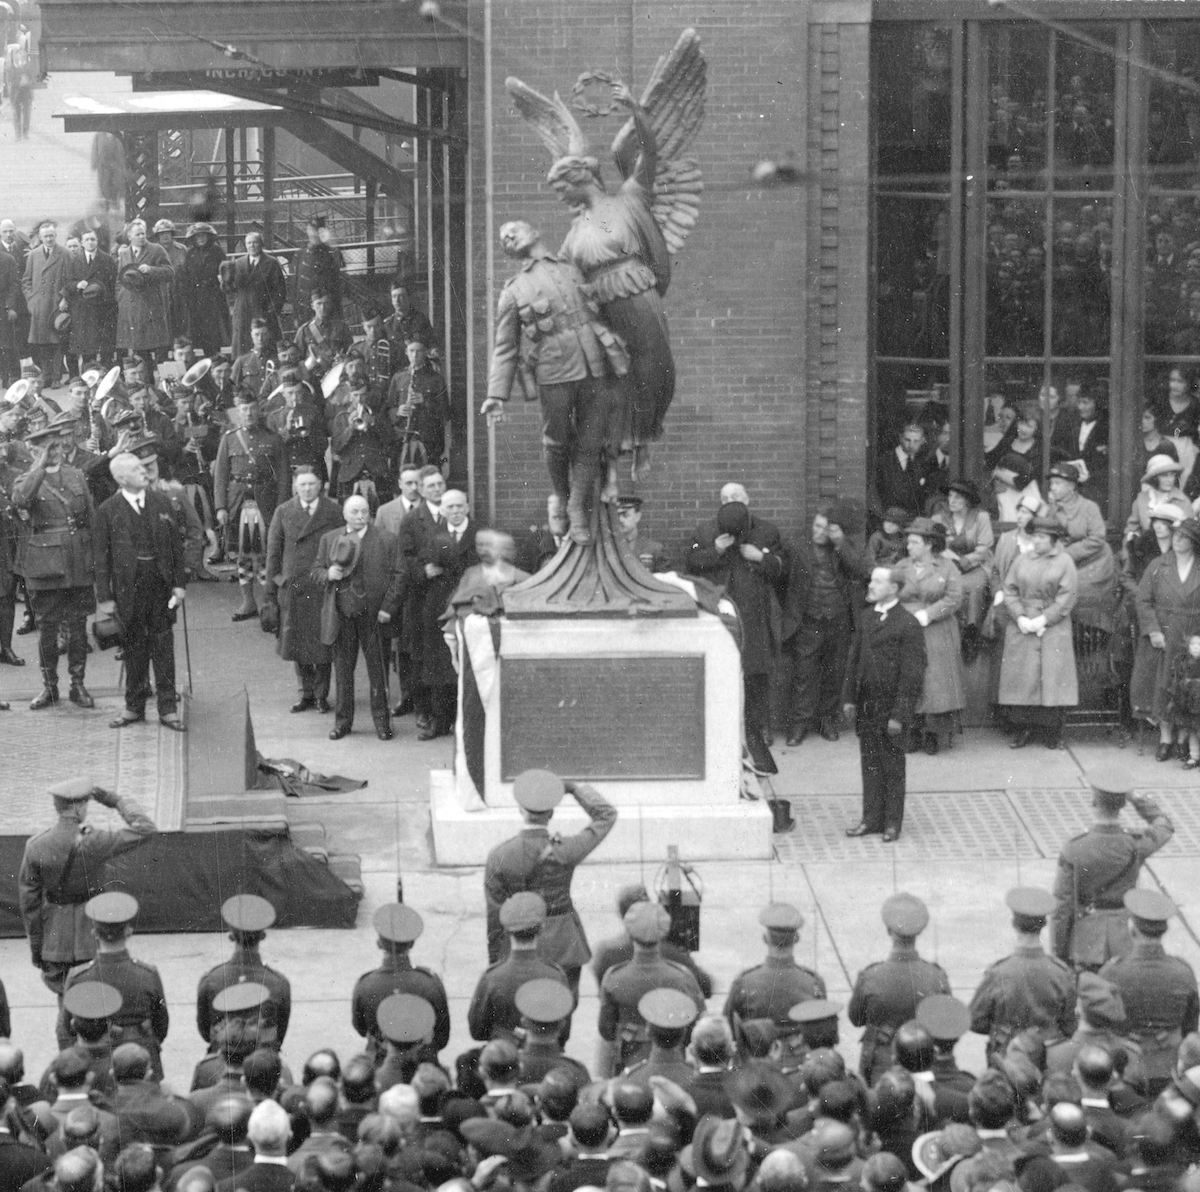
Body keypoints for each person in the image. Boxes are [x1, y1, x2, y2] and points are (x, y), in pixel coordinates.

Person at [481, 220, 624, 542]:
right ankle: (561, 495)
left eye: (514, 230)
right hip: (554, 369)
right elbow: (505, 346)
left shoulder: (574, 267)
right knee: (557, 439)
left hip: (594, 363)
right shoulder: (514, 290)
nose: (508, 236)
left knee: (591, 439)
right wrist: (497, 395)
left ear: (535, 231)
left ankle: (575, 507)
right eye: (504, 237)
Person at [18, 778, 155, 1005]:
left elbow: (29, 904)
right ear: (79, 807)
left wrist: (37, 948)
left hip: (56, 942)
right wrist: (115, 800)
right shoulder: (96, 840)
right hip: (91, 935)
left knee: (66, 1006)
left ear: (57, 807)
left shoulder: (36, 845)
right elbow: (145, 828)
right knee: (101, 1004)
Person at [483, 769, 617, 994]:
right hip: (564, 945)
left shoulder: (499, 855)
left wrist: (496, 962)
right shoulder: (566, 850)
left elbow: (495, 916)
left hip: (518, 945)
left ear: (520, 810)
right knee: (561, 1013)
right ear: (552, 813)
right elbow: (607, 815)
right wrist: (574, 788)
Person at [688, 486, 785, 773]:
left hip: (755, 617)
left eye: (737, 498)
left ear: (748, 500)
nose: (732, 504)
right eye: (726, 500)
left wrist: (760, 558)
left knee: (756, 678)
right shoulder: (706, 532)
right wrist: (716, 549)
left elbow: (783, 568)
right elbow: (692, 562)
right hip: (722, 617)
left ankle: (758, 731)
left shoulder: (767, 532)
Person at [93, 452, 188, 731]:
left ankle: (168, 708)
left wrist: (180, 584)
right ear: (122, 478)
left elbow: (176, 547)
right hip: (127, 591)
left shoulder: (162, 502)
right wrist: (105, 598)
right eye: (137, 469)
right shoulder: (107, 510)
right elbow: (101, 558)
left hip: (161, 587)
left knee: (163, 646)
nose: (145, 472)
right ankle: (133, 707)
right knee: (133, 647)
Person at [11, 416, 97, 710]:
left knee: (77, 624)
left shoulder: (76, 476)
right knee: (47, 627)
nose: (56, 451)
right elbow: (20, 500)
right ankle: (49, 687)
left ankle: (78, 685)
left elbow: (90, 517)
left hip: (76, 559)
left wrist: (93, 556)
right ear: (34, 450)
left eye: (59, 445)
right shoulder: (26, 479)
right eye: (49, 447)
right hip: (45, 563)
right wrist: (40, 466)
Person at [1050, 770, 1174, 969]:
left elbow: (1062, 908)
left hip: (1085, 942)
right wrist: (1135, 798)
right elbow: (1165, 826)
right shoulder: (1136, 844)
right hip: (1124, 939)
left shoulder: (1074, 848)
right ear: (1123, 804)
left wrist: (1059, 955)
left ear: (1094, 802)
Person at [843, 565, 927, 842]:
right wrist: (849, 699)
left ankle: (892, 823)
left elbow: (912, 675)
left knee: (892, 766)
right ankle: (870, 819)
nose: (871, 585)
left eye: (878, 582)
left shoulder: (908, 624)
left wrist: (900, 715)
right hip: (867, 706)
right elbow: (854, 660)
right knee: (869, 764)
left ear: (893, 588)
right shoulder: (866, 617)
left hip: (891, 709)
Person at [313, 494, 402, 741]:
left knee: (378, 671)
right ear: (344, 514)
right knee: (343, 671)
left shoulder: (386, 539)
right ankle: (343, 723)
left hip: (374, 617)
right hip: (343, 614)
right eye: (354, 512)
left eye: (364, 511)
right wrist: (327, 573)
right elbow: (315, 571)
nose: (360, 516)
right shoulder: (330, 539)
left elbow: (398, 575)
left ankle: (383, 723)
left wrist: (388, 608)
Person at [782, 502, 870, 746]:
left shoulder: (842, 548)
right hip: (809, 619)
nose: (819, 532)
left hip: (838, 619)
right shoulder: (797, 547)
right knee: (804, 673)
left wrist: (841, 542)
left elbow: (862, 571)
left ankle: (827, 721)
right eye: (817, 526)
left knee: (834, 672)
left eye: (826, 528)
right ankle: (799, 724)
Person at [1099, 889, 1198, 1096]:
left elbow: (1102, 1024)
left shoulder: (1111, 972)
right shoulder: (1183, 972)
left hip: (1125, 1067)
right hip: (1168, 1065)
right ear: (1163, 931)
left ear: (1132, 929)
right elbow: (1190, 1027)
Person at [61, 893, 170, 1080]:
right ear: (128, 931)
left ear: (94, 932)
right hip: (141, 1058)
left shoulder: (78, 976)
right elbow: (161, 1025)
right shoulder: (147, 974)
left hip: (94, 1063)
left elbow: (66, 1028)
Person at [848, 893, 951, 1085]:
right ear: (918, 932)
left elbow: (856, 1019)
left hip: (881, 1066)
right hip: (923, 1065)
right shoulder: (937, 977)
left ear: (888, 930)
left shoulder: (870, 976)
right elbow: (946, 1026)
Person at [263, 467, 342, 714]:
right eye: (302, 484)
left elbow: (342, 545)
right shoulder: (283, 511)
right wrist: (272, 586)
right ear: (295, 486)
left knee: (323, 641)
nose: (307, 489)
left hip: (322, 584)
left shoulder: (333, 511)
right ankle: (305, 692)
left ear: (321, 485)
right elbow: (273, 551)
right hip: (294, 586)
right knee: (296, 641)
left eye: (312, 484)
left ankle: (321, 695)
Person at [597, 901, 705, 1077]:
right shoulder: (682, 978)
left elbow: (606, 1031)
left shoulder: (614, 977)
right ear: (663, 933)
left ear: (630, 934)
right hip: (674, 1064)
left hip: (630, 1065)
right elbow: (698, 1023)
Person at [998, 517, 1079, 750]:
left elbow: (1067, 597)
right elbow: (1010, 590)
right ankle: (1024, 729)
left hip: (1054, 625)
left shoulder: (1065, 562)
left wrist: (1045, 619)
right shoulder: (1022, 560)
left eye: (1042, 538)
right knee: (1024, 676)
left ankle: (1051, 731)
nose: (1036, 541)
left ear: (1054, 540)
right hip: (1022, 622)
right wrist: (1020, 617)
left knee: (1051, 676)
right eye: (1034, 537)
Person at [968, 887, 1076, 1060]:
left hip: (1005, 1056)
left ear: (1014, 925)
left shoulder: (997, 973)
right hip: (1048, 1056)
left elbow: (974, 1020)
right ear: (1043, 925)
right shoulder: (1061, 972)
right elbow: (1070, 1025)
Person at [214, 391, 289, 623]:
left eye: (253, 408)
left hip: (265, 503)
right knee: (244, 556)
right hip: (238, 505)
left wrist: (280, 509)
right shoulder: (229, 438)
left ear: (259, 410)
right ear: (237, 412)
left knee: (268, 553)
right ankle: (248, 601)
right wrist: (221, 507)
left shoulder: (274, 440)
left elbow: (285, 479)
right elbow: (221, 476)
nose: (249, 413)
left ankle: (269, 600)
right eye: (244, 409)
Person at [892, 518, 965, 754]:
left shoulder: (947, 567)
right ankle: (911, 732)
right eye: (909, 542)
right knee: (910, 678)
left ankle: (933, 734)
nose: (909, 546)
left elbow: (954, 597)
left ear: (929, 545)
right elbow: (890, 595)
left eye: (915, 542)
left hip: (938, 631)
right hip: (907, 630)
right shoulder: (901, 566)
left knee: (936, 682)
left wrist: (929, 614)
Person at [1134, 517, 1200, 760]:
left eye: (1184, 536)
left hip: (1192, 637)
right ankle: (1165, 739)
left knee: (1188, 688)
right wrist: (1153, 630)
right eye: (1176, 535)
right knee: (1161, 686)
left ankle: (1185, 740)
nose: (1178, 539)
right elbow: (1143, 600)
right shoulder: (1158, 565)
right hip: (1162, 636)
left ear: (1194, 541)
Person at [350, 904, 449, 1065]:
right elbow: (442, 1037)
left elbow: (361, 1029)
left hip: (381, 1063)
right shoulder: (430, 983)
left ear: (379, 943)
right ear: (411, 944)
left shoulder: (366, 985)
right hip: (423, 1065)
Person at [467, 893, 571, 1045]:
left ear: (507, 931)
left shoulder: (492, 977)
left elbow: (477, 1031)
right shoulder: (556, 976)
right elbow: (563, 1033)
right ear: (541, 928)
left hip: (502, 1059)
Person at [415, 489, 477, 740]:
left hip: (469, 605)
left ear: (467, 508)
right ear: (442, 510)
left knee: (468, 664)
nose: (455, 511)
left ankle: (468, 725)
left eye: (459, 506)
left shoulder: (478, 534)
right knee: (440, 667)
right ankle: (440, 721)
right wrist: (426, 571)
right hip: (439, 608)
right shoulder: (434, 536)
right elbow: (421, 567)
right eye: (449, 507)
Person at [196, 895, 292, 1054]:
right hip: (263, 1066)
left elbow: (206, 1032)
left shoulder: (210, 980)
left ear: (231, 936)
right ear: (263, 936)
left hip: (222, 1061)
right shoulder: (279, 983)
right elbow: (279, 1035)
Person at [723, 903, 825, 1035]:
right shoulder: (813, 982)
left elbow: (727, 1029)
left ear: (765, 938)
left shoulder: (744, 982)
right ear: (796, 938)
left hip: (758, 1054)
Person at [1046, 462, 1115, 631]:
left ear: (1071, 486)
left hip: (1094, 562)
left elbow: (1097, 538)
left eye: (1057, 483)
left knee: (1078, 593)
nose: (1052, 488)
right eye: (1051, 483)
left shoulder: (1089, 507)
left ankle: (1084, 637)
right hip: (1063, 561)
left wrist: (1066, 553)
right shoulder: (1053, 508)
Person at [933, 480, 994, 660]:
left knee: (974, 588)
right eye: (950, 496)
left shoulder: (980, 517)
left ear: (967, 501)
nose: (952, 500)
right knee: (946, 585)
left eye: (958, 497)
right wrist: (952, 560)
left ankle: (970, 632)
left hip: (976, 564)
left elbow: (984, 548)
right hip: (948, 563)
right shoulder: (940, 519)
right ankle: (948, 633)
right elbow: (935, 544)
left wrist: (965, 561)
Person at [115, 219, 174, 368]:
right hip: (133, 312)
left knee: (161, 351)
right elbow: (119, 278)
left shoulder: (157, 249)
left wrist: (151, 270)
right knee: (140, 354)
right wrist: (120, 296)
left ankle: (164, 387)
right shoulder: (124, 254)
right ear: (129, 236)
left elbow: (169, 272)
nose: (142, 237)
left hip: (152, 308)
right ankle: (146, 387)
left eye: (143, 233)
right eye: (138, 234)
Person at [387, 336, 449, 471]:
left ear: (425, 352)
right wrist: (398, 411)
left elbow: (445, 413)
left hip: (428, 437)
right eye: (411, 351)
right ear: (406, 352)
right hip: (403, 435)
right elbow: (389, 407)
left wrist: (425, 401)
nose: (415, 355)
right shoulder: (399, 377)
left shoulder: (436, 379)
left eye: (419, 351)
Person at [63, 230, 117, 377]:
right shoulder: (75, 261)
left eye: (92, 239)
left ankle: (107, 381)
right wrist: (77, 285)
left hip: (102, 311)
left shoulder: (107, 260)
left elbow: (114, 285)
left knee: (105, 350)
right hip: (83, 312)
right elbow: (67, 284)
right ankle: (88, 379)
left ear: (97, 241)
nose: (90, 242)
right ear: (82, 243)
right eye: (86, 240)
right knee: (87, 351)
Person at [224, 232, 287, 359]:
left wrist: (270, 313)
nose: (252, 246)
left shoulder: (271, 263)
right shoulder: (238, 263)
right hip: (243, 314)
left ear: (261, 244)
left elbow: (279, 292)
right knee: (242, 351)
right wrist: (225, 280)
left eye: (255, 242)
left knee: (266, 348)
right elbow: (231, 290)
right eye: (249, 243)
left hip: (263, 313)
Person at [24, 222, 71, 384]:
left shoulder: (65, 253)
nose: (49, 239)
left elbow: (71, 280)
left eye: (51, 236)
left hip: (56, 306)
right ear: (40, 237)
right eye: (46, 236)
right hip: (39, 307)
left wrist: (65, 297)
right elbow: (26, 280)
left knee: (57, 343)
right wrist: (31, 300)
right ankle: (46, 376)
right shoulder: (33, 255)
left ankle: (56, 377)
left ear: (55, 236)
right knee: (42, 344)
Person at [178, 224, 230, 357]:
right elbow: (185, 274)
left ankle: (215, 356)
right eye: (198, 236)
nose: (201, 239)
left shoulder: (217, 252)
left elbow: (225, 272)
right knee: (197, 330)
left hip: (213, 296)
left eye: (203, 235)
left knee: (214, 330)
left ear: (209, 237)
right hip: (195, 297)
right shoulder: (190, 253)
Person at [293, 290, 352, 386]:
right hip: (313, 378)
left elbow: (350, 351)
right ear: (312, 306)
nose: (322, 307)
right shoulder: (304, 330)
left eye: (326, 303)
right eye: (318, 304)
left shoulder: (342, 327)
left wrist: (343, 358)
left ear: (330, 305)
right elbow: (297, 357)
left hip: (337, 377)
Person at [1124, 455, 1188, 541]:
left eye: (1172, 475)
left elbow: (1188, 534)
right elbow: (1132, 529)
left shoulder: (1182, 500)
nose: (1170, 480)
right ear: (1154, 478)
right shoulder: (1141, 499)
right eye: (1165, 475)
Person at [291, 218, 344, 320]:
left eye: (317, 230)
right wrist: (296, 312)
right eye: (311, 230)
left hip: (324, 309)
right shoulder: (300, 254)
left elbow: (336, 286)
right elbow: (295, 285)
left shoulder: (331, 254)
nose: (313, 234)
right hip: (304, 309)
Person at [876, 424, 929, 521]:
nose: (911, 445)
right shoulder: (884, 461)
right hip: (888, 520)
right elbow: (875, 493)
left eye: (916, 441)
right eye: (907, 440)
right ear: (900, 438)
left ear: (922, 441)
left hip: (913, 521)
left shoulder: (923, 464)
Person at [1167, 631, 1200, 767]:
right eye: (1193, 644)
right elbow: (1176, 680)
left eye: (1199, 644)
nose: (1196, 647)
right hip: (1188, 700)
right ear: (1187, 646)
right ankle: (1194, 756)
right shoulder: (1182, 661)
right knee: (1191, 729)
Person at [613, 494, 665, 572]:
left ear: (637, 517)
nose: (621, 520)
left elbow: (664, 580)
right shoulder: (608, 548)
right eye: (617, 516)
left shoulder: (654, 549)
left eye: (625, 515)